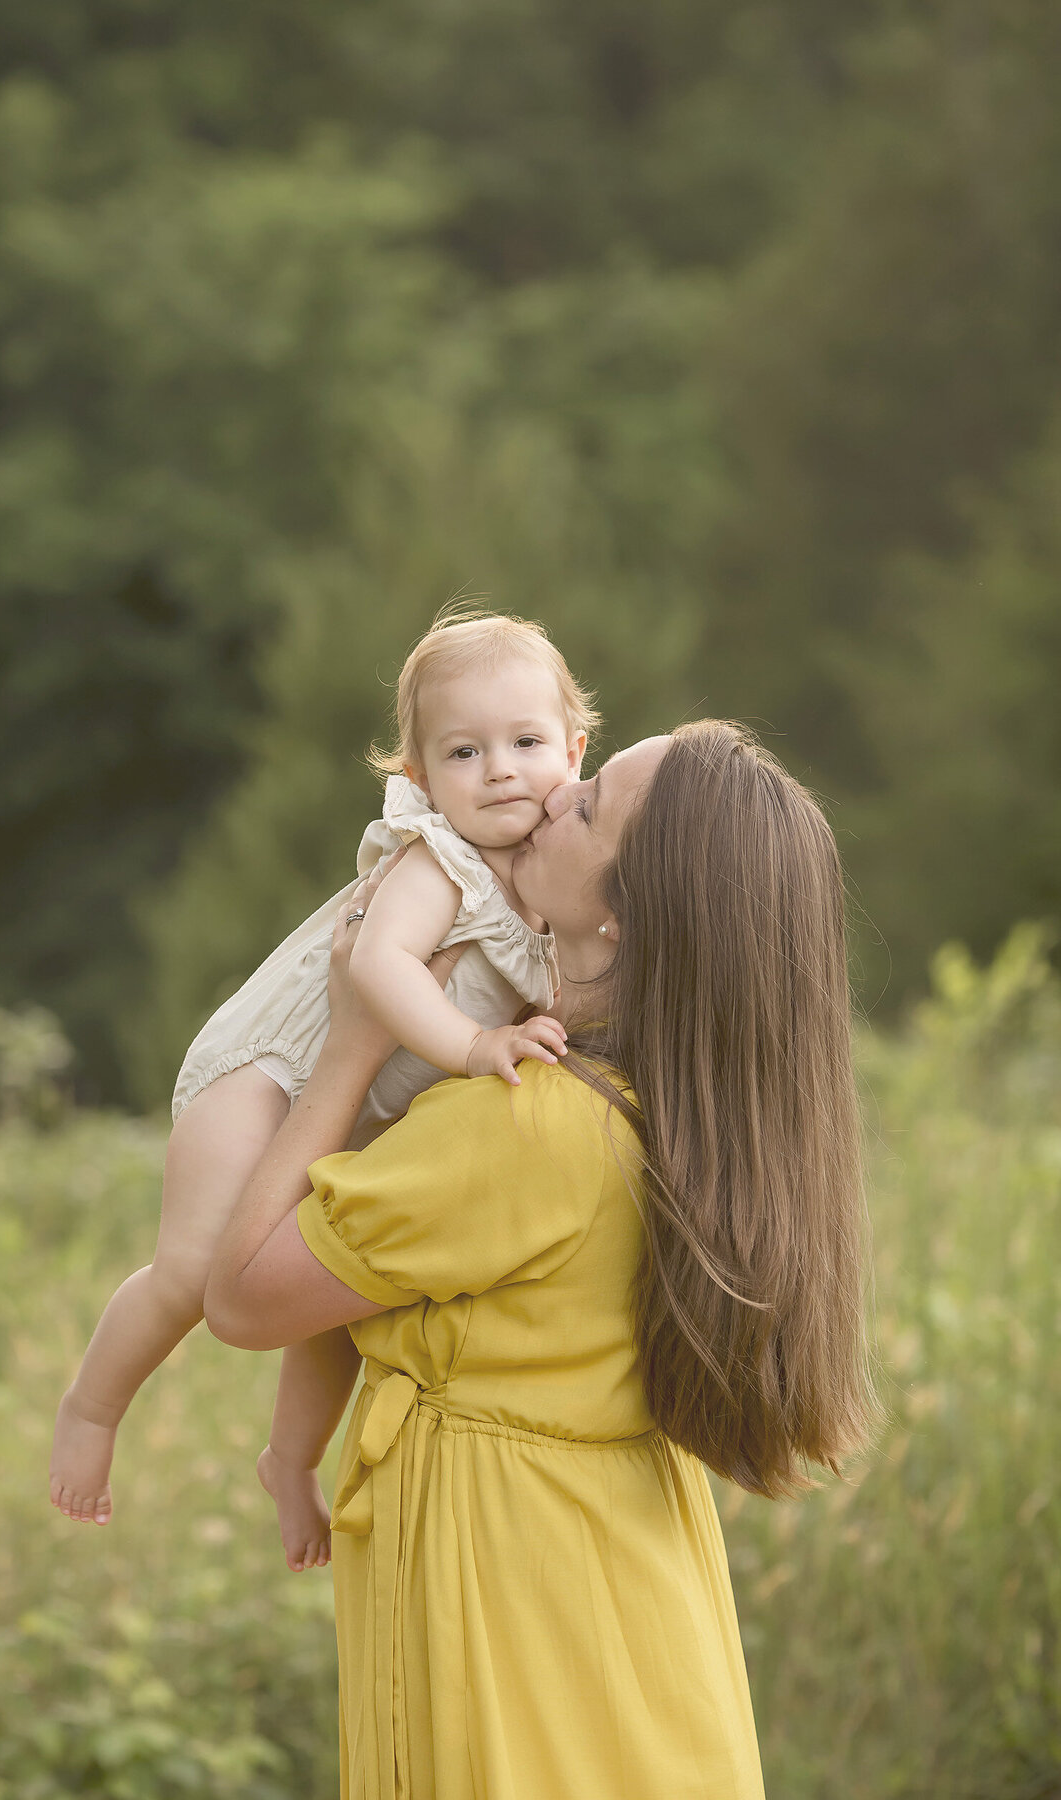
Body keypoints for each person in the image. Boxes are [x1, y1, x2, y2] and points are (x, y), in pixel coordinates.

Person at [204, 719, 878, 1800]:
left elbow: (237, 1296)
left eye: (590, 799)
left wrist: (352, 1039)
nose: (550, 790)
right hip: (633, 1625)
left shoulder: (526, 1127)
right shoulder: (687, 1119)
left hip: (511, 1631)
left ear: (619, 916)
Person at [49, 612, 597, 1543]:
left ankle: (291, 1461)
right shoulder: (442, 861)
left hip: (354, 1118)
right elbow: (378, 968)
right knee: (192, 1269)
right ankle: (92, 1410)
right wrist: (472, 1046)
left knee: (338, 1302)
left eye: (527, 742)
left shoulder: (554, 889)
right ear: (419, 779)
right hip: (269, 1073)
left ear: (575, 750)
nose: (500, 769)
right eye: (464, 752)